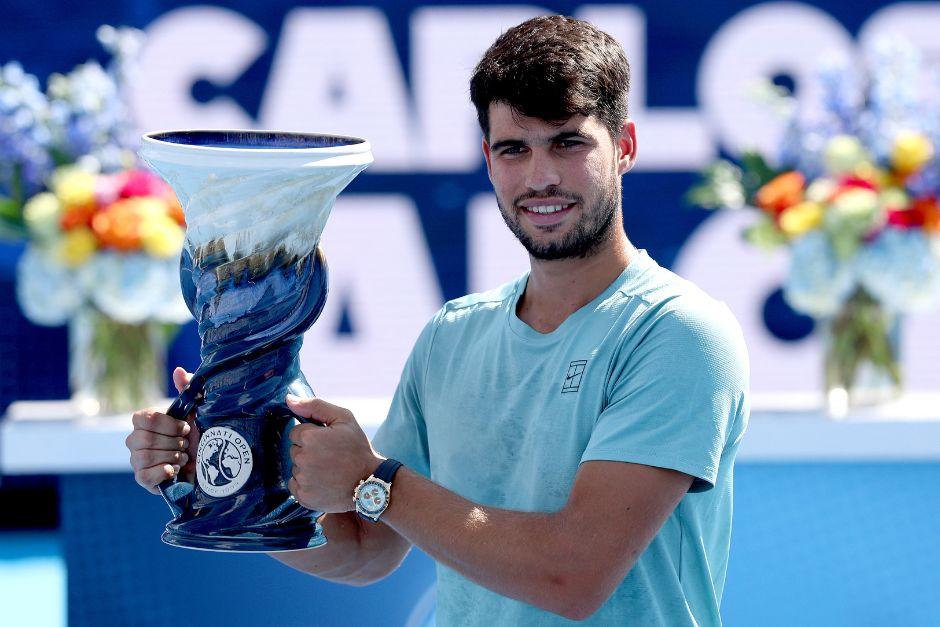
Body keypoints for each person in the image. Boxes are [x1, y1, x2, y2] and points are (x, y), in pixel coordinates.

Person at [126, 15, 749, 626]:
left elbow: (573, 575)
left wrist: (374, 480)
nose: (541, 176)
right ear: (487, 159)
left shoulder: (679, 331)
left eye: (568, 142)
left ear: (626, 148)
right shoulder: (452, 336)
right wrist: (217, 477)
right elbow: (364, 552)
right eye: (514, 149)